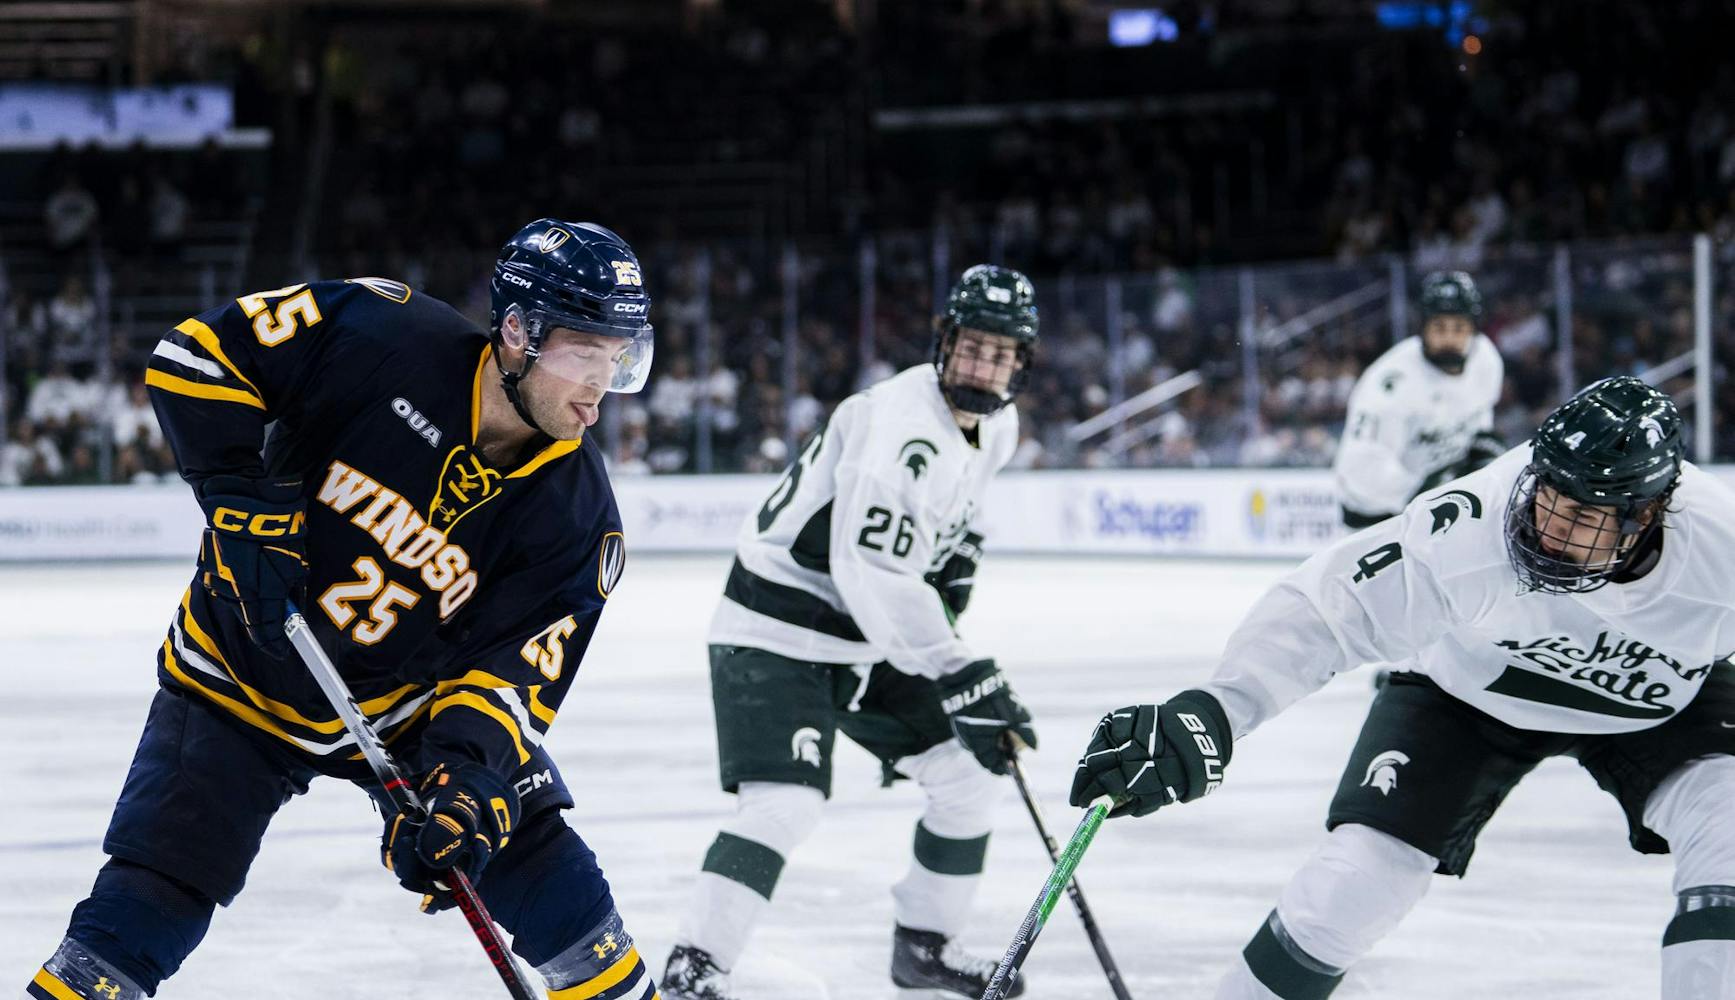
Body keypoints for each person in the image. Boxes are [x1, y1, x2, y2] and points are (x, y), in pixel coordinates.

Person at [24, 220, 661, 1000]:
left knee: (568, 908)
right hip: (241, 664)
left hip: (407, 710)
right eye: (583, 354)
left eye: (619, 359)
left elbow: (507, 680)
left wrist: (465, 785)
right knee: (142, 914)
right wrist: (237, 498)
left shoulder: (578, 519)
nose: (600, 387)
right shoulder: (381, 333)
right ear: (517, 332)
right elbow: (198, 355)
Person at [1070, 376, 1735, 999]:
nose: (1549, 527)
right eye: (1548, 496)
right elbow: (1331, 607)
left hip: (1661, 705)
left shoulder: (1721, 550)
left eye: (1582, 515)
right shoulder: (1473, 528)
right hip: (1466, 696)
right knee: (1350, 885)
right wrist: (1216, 708)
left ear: (1646, 514)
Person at [661, 265, 1042, 1000]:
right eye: (971, 348)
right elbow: (872, 570)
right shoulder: (901, 428)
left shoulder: (998, 426)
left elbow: (953, 523)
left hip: (867, 634)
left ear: (1020, 365)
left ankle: (924, 946)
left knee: (969, 773)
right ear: (944, 343)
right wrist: (959, 669)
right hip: (778, 627)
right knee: (786, 803)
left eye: (999, 355)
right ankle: (694, 966)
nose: (980, 366)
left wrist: (958, 563)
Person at [1333, 270, 1505, 529]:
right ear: (1422, 327)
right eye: (1439, 327)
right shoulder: (1391, 385)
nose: (1449, 338)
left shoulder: (1485, 360)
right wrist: (1424, 492)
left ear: (1473, 328)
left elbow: (1480, 417)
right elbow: (1360, 468)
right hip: (1378, 520)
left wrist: (1481, 447)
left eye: (1459, 328)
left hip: (1438, 508)